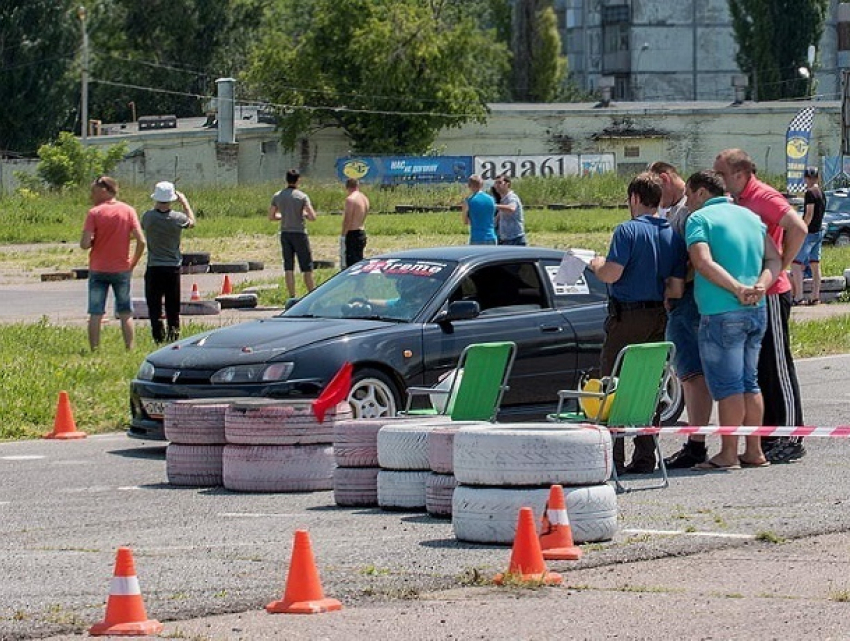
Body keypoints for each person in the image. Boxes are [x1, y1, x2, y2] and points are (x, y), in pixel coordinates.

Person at [714, 149, 808, 463]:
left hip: (771, 291)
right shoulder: (738, 200)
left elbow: (799, 227)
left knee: (778, 366)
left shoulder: (763, 195)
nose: (721, 181)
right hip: (754, 293)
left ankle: (792, 437)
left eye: (723, 174)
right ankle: (770, 437)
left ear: (740, 174)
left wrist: (781, 266)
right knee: (761, 367)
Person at [589, 172, 687, 474]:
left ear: (634, 198)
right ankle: (645, 456)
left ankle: (612, 458)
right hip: (658, 313)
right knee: (649, 384)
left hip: (626, 314)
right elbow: (676, 289)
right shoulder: (672, 234)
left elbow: (611, 274)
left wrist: (593, 263)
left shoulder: (627, 231)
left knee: (613, 382)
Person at [684, 170, 782, 470]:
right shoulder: (751, 217)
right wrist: (761, 285)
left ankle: (728, 452)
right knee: (749, 382)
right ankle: (753, 450)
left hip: (720, 311)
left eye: (689, 195)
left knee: (728, 386)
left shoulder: (699, 220)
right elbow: (774, 259)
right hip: (757, 309)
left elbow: (702, 261)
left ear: (701, 193)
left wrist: (735, 288)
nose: (687, 201)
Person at [649, 161, 713, 468]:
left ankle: (697, 444)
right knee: (690, 373)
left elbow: (693, 260)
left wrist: (673, 290)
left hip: (686, 302)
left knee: (690, 373)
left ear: (664, 179)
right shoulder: (672, 212)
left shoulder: (687, 215)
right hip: (686, 301)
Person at [79, 176, 146, 351]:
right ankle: (129, 347)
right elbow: (141, 241)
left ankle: (94, 349)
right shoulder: (128, 211)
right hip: (121, 269)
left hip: (98, 268)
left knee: (95, 312)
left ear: (104, 191)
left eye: (93, 192)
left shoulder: (94, 213)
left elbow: (84, 244)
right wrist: (132, 263)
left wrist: (94, 241)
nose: (91, 196)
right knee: (125, 312)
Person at [140, 181, 195, 344]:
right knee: (173, 305)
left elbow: (142, 226)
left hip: (154, 266)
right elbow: (192, 222)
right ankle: (173, 335)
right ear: (172, 199)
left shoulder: (148, 217)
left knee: (154, 305)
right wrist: (184, 203)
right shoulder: (177, 218)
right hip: (172, 267)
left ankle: (158, 336)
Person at [269, 169, 317, 298]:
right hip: (300, 233)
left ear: (286, 179)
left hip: (285, 233)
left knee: (288, 266)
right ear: (298, 180)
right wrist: (304, 214)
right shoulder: (302, 196)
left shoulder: (278, 196)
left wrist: (283, 216)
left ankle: (292, 295)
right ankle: (311, 294)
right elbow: (312, 217)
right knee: (306, 266)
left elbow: (271, 216)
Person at [790, 166, 826, 306]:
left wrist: (801, 229)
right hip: (818, 231)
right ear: (818, 177)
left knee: (796, 264)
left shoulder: (810, 193)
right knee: (815, 264)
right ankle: (815, 296)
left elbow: (809, 214)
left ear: (806, 178)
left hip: (809, 233)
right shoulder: (821, 193)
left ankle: (798, 296)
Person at [341, 178, 370, 268]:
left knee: (351, 265)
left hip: (352, 233)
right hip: (361, 232)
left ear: (347, 187)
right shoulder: (364, 198)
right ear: (357, 186)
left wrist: (343, 234)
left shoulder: (350, 200)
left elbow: (348, 219)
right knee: (359, 262)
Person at [461, 174, 497, 245]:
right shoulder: (491, 199)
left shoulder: (468, 201)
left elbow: (465, 221)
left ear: (469, 185)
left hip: (477, 238)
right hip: (491, 236)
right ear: (482, 185)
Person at [493, 174, 527, 245]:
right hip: (504, 239)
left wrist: (494, 206)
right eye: (495, 183)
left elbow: (511, 208)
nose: (496, 185)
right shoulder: (503, 199)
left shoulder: (512, 197)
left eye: (499, 183)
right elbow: (499, 217)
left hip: (515, 239)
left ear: (507, 184)